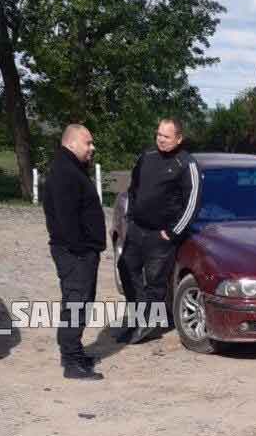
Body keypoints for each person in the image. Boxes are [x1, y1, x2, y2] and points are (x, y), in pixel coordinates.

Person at [117, 118, 201, 344]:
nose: (161, 140)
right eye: (158, 135)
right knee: (125, 269)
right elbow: (133, 189)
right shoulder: (147, 157)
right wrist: (131, 217)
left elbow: (192, 203)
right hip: (137, 229)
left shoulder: (187, 164)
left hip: (161, 236)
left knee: (155, 283)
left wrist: (173, 233)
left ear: (179, 138)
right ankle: (137, 320)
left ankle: (146, 327)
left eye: (166, 136)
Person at [43, 124, 106, 380]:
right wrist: (81, 250)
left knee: (81, 303)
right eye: (87, 143)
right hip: (74, 253)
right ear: (71, 143)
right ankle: (71, 362)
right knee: (76, 303)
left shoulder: (72, 168)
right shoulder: (64, 172)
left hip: (81, 252)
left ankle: (75, 352)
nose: (92, 147)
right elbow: (66, 218)